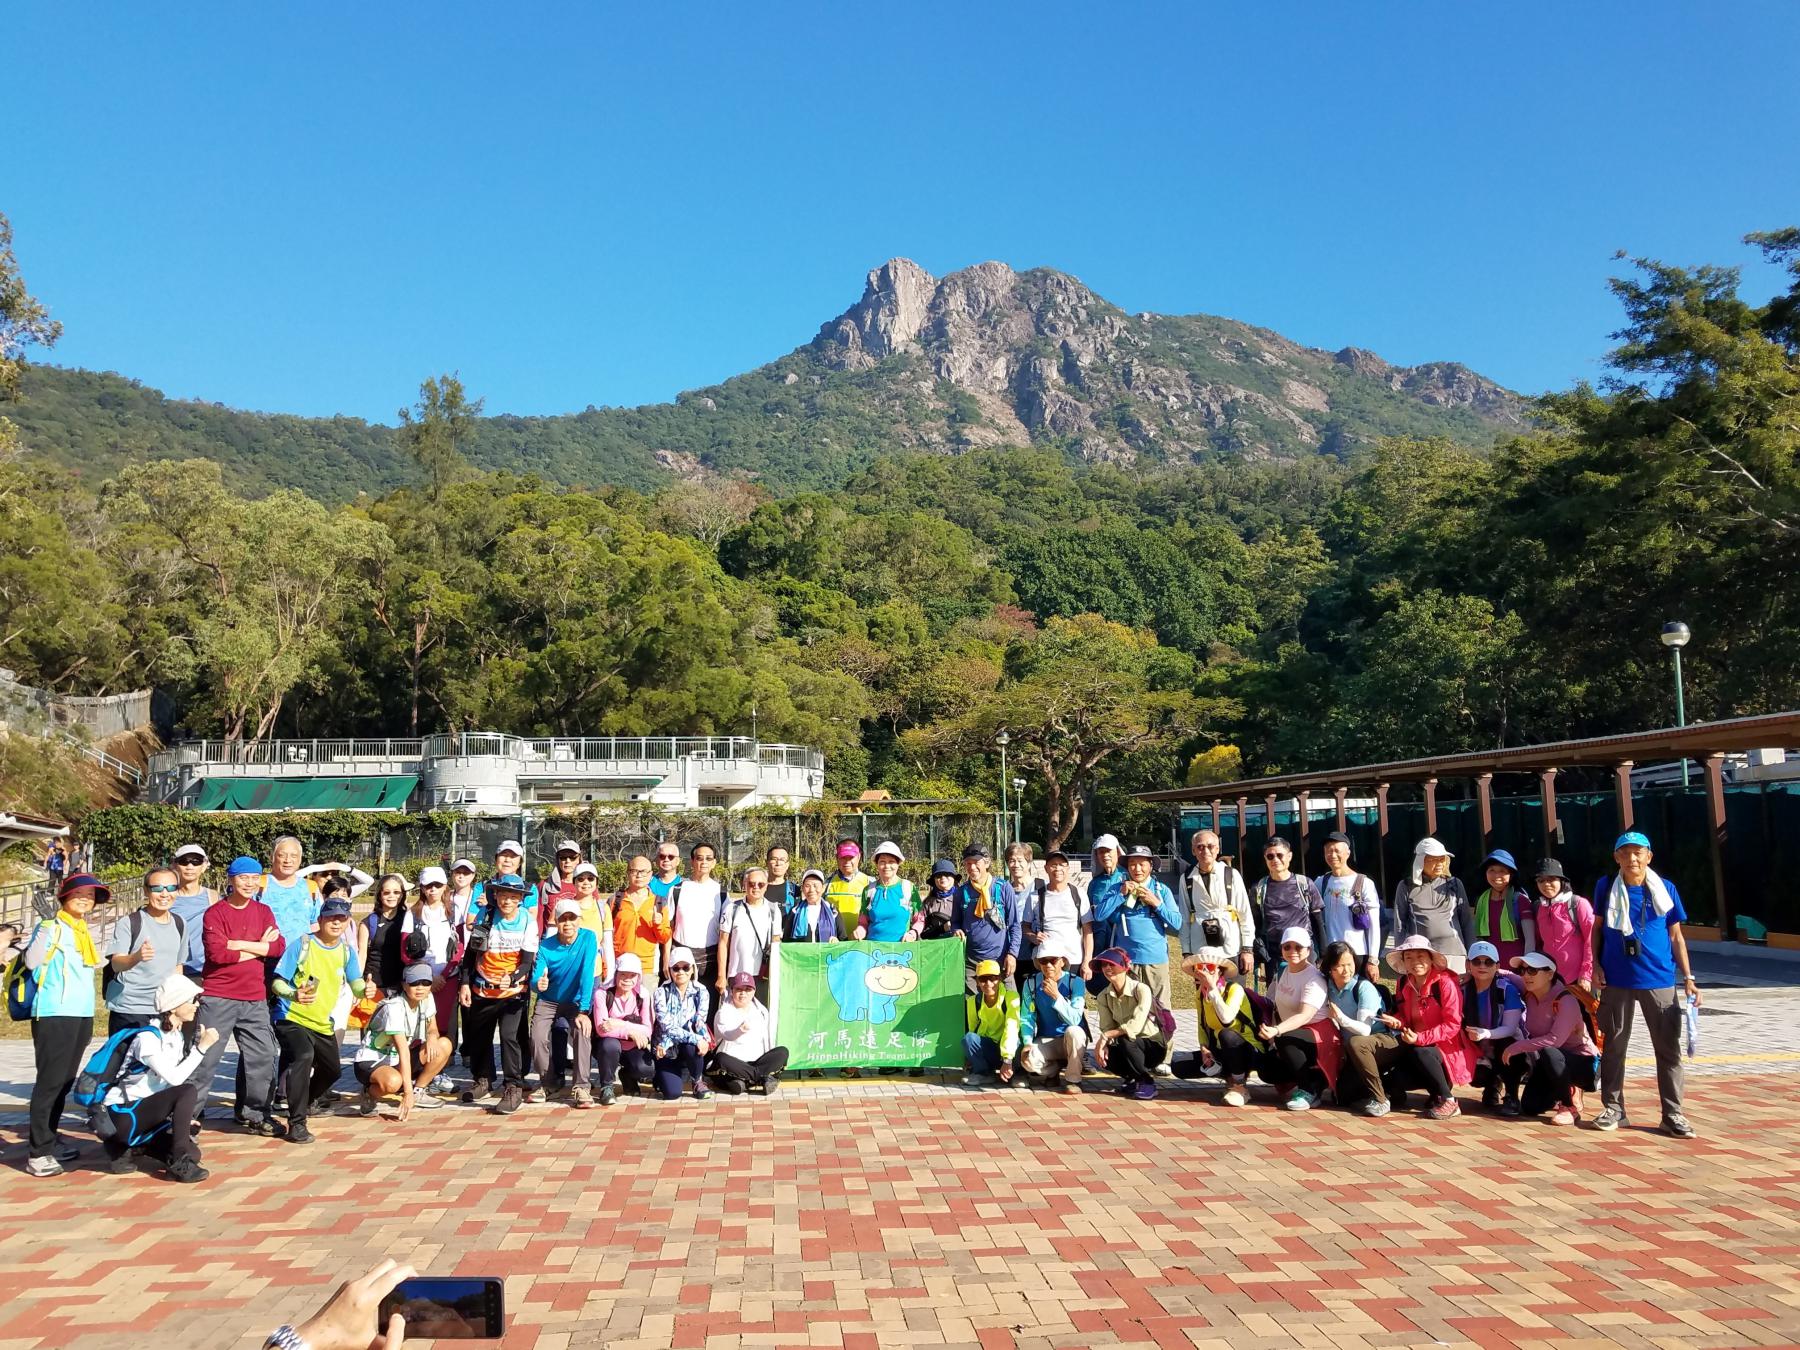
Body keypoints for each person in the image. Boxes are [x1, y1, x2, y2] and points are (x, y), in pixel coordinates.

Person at [1592, 830, 1698, 1139]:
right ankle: (1614, 1109)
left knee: (1668, 1050)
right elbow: (1596, 929)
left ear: (1649, 856)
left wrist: (1689, 978)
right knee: (1614, 1047)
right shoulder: (1605, 887)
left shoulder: (1665, 889)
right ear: (1617, 857)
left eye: (1638, 852)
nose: (1632, 858)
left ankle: (1673, 1114)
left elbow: (1676, 936)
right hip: (1616, 979)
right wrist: (1595, 965)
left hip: (1659, 979)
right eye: (1625, 853)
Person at [192, 856, 286, 1135]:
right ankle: (186, 1117)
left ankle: (256, 1113)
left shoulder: (263, 911)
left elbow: (277, 947)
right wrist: (258, 947)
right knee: (205, 1059)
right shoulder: (215, 913)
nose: (249, 883)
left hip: (254, 997)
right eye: (243, 877)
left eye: (255, 878)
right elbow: (218, 954)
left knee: (264, 1055)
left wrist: (239, 944)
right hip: (218, 996)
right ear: (231, 879)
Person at [22, 872, 108, 1176]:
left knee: (63, 1082)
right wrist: (46, 925)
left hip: (80, 1014)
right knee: (49, 1082)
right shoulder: (52, 926)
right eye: (78, 894)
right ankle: (38, 1153)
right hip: (54, 1013)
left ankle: (50, 1139)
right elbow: (31, 962)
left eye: (90, 896)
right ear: (64, 897)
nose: (85, 900)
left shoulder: (81, 929)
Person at [98, 971, 217, 1183]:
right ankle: (179, 1162)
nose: (197, 1005)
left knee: (195, 1154)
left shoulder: (175, 1036)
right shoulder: (148, 1038)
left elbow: (167, 1086)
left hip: (143, 1113)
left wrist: (182, 1118)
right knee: (187, 1091)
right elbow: (175, 1080)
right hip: (121, 1113)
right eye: (192, 1000)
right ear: (174, 1005)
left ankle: (127, 1149)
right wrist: (201, 1048)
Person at [1345, 934, 1473, 1120]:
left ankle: (1449, 1100)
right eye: (1409, 957)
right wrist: (1396, 1020)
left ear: (1431, 959)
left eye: (1421, 956)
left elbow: (1452, 1024)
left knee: (1421, 1052)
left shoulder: (1445, 983)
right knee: (1393, 1079)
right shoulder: (1403, 982)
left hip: (1443, 1051)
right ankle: (1420, 1093)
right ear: (1403, 961)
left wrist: (1420, 1038)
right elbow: (1405, 1017)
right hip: (1412, 1045)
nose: (1415, 962)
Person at [271, 896, 365, 1144]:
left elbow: (356, 982)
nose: (336, 922)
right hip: (291, 1017)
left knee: (332, 1070)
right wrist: (294, 994)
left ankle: (304, 1102)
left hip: (322, 1022)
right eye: (331, 917)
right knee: (303, 1056)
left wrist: (365, 989)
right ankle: (297, 1123)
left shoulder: (346, 951)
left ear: (348, 922)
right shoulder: (303, 944)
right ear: (321, 919)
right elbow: (277, 982)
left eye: (341, 918)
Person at [1090, 844, 1180, 1069]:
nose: (1137, 869)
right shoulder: (1118, 888)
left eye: (1142, 864)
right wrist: (1120, 894)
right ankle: (1133, 1054)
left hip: (1155, 958)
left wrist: (1156, 903)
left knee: (1161, 1008)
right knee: (1128, 1008)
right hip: (1125, 962)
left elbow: (1177, 923)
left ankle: (1164, 1057)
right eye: (1132, 864)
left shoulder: (1160, 890)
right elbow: (1099, 915)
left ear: (1151, 866)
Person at [458, 873, 538, 1112]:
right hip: (483, 988)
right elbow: (470, 955)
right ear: (496, 895)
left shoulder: (527, 921)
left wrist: (512, 977)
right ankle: (483, 1079)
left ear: (520, 899)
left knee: (509, 1036)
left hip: (513, 991)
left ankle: (513, 1086)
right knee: (480, 1036)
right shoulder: (486, 916)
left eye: (513, 897)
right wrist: (465, 983)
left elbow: (527, 962)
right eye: (503, 895)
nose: (507, 901)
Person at [1502, 951, 1599, 1125]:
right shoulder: (1530, 990)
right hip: (1550, 1062)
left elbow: (1555, 1040)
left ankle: (1568, 1106)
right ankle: (1562, 1088)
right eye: (1522, 970)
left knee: (1549, 1051)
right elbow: (1506, 974)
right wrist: (1471, 974)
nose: (1526, 975)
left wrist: (1517, 1046)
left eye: (1532, 970)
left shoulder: (1566, 1000)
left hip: (1584, 1064)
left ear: (1549, 974)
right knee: (1530, 1107)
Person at [354, 963, 453, 1119]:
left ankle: (418, 1091)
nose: (420, 988)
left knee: (444, 1045)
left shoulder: (427, 998)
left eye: (426, 982)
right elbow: (403, 1051)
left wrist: (432, 1037)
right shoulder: (394, 1007)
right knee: (394, 1082)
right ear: (404, 985)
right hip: (373, 1060)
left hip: (398, 1059)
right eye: (414, 983)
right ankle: (369, 1094)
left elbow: (433, 1028)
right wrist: (407, 1093)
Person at [1255, 926, 1338, 1111]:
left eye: (1298, 947)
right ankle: (1316, 1079)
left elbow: (1305, 1015)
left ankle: (1308, 1090)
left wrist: (1277, 1030)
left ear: (1308, 950)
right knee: (1266, 1068)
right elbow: (1273, 1004)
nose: (1292, 951)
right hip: (1293, 1033)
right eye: (1287, 947)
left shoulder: (1314, 978)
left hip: (1319, 1035)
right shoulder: (1283, 971)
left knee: (1285, 1039)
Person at [1175, 946, 1264, 1106]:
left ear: (1220, 971)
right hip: (1221, 1048)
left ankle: (1239, 1084)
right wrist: (1204, 1048)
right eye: (1199, 967)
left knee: (1226, 1034)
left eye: (1209, 967)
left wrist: (1213, 989)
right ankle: (1228, 1075)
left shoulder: (1234, 989)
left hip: (1246, 1049)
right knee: (1178, 1066)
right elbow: (1202, 1025)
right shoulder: (1200, 994)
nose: (1204, 972)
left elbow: (1226, 1019)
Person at [529, 899, 597, 1107]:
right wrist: (538, 984)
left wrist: (583, 1010)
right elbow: (536, 978)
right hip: (549, 1000)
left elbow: (587, 974)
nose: (568, 923)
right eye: (563, 919)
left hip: (575, 1001)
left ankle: (581, 1086)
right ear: (556, 922)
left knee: (582, 1030)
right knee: (537, 1036)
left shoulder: (589, 938)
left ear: (579, 920)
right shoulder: (545, 946)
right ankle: (548, 1083)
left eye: (572, 918)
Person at [401, 865, 464, 1088]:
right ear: (422, 888)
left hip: (448, 979)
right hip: (421, 981)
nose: (433, 889)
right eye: (428, 886)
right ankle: (419, 1070)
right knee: (421, 1026)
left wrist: (443, 975)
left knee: (444, 1026)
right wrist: (427, 977)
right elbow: (405, 950)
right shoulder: (413, 913)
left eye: (437, 885)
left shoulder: (454, 911)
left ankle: (439, 1071)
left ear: (445, 886)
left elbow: (459, 947)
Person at [104, 866, 187, 1035]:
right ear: (146, 891)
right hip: (130, 1009)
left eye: (171, 888)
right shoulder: (129, 923)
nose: (165, 894)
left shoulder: (180, 924)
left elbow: (178, 968)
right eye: (157, 888)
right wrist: (137, 957)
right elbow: (116, 964)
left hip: (164, 1009)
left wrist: (177, 1006)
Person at [1316, 940, 1384, 1110]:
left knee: (1356, 1044)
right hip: (1349, 1050)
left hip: (1374, 1046)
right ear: (1330, 968)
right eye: (1340, 966)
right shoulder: (1326, 985)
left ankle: (1384, 1094)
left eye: (1350, 964)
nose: (1346, 970)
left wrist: (1340, 1017)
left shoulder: (1364, 987)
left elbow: (1365, 1030)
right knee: (1342, 1097)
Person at [1091, 947, 1166, 1099]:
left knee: (1126, 1039)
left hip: (1152, 1046)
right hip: (1128, 1044)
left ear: (1124, 967)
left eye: (1112, 964)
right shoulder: (1103, 996)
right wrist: (1104, 1043)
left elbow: (1135, 1026)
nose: (1107, 968)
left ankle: (1147, 1081)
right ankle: (1133, 1078)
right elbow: (1107, 1026)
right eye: (1104, 965)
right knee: (1106, 1054)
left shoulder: (1141, 989)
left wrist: (1106, 1036)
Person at [1462, 939, 1526, 1114]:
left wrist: (1486, 1033)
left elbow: (1510, 1028)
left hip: (1507, 1046)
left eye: (1488, 962)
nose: (1482, 966)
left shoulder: (1506, 990)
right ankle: (1491, 1084)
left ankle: (1512, 1096)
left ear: (1497, 966)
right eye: (1477, 961)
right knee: (1476, 1076)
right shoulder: (1463, 989)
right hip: (1477, 1046)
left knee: (1506, 1044)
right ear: (1468, 965)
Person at [1181, 830, 1254, 982]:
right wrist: (1187, 951)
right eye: (1200, 847)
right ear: (1193, 850)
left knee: (1234, 993)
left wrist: (1247, 949)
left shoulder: (1231, 874)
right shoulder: (1186, 878)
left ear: (1217, 848)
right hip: (1201, 950)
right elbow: (1184, 917)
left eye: (1210, 846)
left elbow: (1245, 913)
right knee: (1206, 994)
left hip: (1231, 948)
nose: (1205, 851)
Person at [1394, 837, 1473, 974]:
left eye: (1442, 859)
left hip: (1454, 952)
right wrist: (1400, 956)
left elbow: (1466, 921)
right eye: (1433, 860)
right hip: (1422, 955)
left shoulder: (1455, 884)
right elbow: (1400, 924)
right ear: (1420, 861)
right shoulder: (1406, 886)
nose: (1439, 864)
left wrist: (1472, 954)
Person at [951, 843, 1022, 994]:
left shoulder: (1003, 888)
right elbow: (955, 922)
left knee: (1010, 1001)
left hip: (1001, 959)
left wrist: (1012, 954)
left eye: (976, 862)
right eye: (968, 863)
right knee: (973, 1004)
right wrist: (956, 929)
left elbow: (1015, 925)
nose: (972, 867)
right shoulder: (961, 892)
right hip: (972, 963)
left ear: (987, 863)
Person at [1253, 837, 1324, 987]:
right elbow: (1255, 924)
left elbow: (1318, 921)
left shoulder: (1305, 884)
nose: (1275, 860)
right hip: (1274, 956)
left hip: (1304, 953)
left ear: (1289, 856)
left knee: (1308, 993)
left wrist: (1323, 954)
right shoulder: (1259, 888)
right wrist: (1258, 957)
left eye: (1280, 855)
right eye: (1270, 856)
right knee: (1278, 997)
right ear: (1265, 858)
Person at [1016, 941, 1086, 1092]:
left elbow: (1075, 1019)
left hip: (1070, 1040)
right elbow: (1027, 1017)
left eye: (1053, 960)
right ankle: (1053, 1071)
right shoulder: (1031, 983)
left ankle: (1073, 1080)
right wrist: (1027, 1043)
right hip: (1046, 1039)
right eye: (1043, 961)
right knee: (1028, 1061)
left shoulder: (1076, 982)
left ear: (1062, 961)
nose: (1048, 965)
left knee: (1075, 1031)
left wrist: (1056, 996)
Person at [1316, 831, 1382, 984]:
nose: (1332, 855)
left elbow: (1374, 925)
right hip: (1330, 954)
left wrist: (1373, 959)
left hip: (1357, 954)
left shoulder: (1364, 883)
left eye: (1337, 850)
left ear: (1348, 853)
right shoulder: (1321, 882)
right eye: (1328, 851)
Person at [707, 972, 788, 1094]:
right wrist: (739, 1031)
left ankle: (744, 1081)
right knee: (721, 1059)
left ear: (754, 991)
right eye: (739, 989)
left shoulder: (761, 1011)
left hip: (756, 1062)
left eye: (747, 990)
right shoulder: (723, 1012)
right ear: (732, 991)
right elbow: (726, 1035)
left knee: (782, 1052)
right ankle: (761, 1078)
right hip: (734, 1063)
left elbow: (767, 1040)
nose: (743, 993)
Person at [1020, 848, 1093, 983]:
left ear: (1068, 868)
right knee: (1045, 994)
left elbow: (1088, 931)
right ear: (1046, 868)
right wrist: (1033, 937)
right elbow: (1025, 926)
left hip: (1073, 959)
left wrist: (1087, 961)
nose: (1058, 869)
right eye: (1053, 865)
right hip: (1046, 961)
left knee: (1073, 994)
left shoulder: (1079, 894)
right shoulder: (1035, 896)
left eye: (1062, 865)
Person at [593, 952, 655, 1104]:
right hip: (607, 1045)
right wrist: (631, 1032)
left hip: (632, 1045)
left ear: (638, 977)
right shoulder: (602, 993)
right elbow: (602, 1029)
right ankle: (607, 1087)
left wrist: (620, 1024)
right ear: (616, 974)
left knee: (647, 1069)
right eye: (623, 974)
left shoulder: (643, 995)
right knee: (610, 1045)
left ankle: (627, 1075)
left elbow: (648, 1030)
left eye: (632, 975)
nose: (627, 979)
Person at [652, 946, 712, 1101]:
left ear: (692, 969)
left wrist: (704, 1039)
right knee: (672, 1093)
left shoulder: (702, 991)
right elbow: (668, 1028)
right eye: (676, 968)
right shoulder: (660, 992)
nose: (681, 972)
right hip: (666, 1048)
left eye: (685, 967)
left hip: (687, 1046)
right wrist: (697, 1038)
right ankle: (659, 1076)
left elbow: (699, 1022)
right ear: (670, 970)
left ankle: (697, 1080)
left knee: (694, 1045)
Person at [667, 842, 724, 994]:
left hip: (710, 961)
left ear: (714, 863)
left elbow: (725, 936)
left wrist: (721, 974)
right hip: (681, 961)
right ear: (692, 861)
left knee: (708, 1005)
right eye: (699, 858)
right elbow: (668, 929)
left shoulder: (721, 893)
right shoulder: (677, 890)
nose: (704, 862)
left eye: (708, 858)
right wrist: (666, 960)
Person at [719, 866, 782, 1003]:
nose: (756, 887)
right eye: (751, 884)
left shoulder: (773, 910)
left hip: (762, 975)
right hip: (736, 974)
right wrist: (721, 975)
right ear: (744, 884)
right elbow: (723, 943)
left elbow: (776, 943)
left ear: (767, 886)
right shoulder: (732, 908)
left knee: (761, 1013)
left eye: (761, 884)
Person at [1531, 858, 1595, 991]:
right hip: (1551, 981)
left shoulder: (1578, 904)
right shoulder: (1539, 908)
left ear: (1561, 881)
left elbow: (1592, 940)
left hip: (1579, 982)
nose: (1546, 884)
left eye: (1551, 879)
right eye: (1541, 880)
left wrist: (1586, 974)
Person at [1471, 849, 1536, 971]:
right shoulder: (1481, 901)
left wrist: (1527, 966)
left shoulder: (1521, 900)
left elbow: (1530, 940)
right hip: (1490, 968)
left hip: (1517, 969)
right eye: (1492, 870)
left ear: (1511, 874)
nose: (1496, 876)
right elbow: (1478, 938)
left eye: (1502, 871)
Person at [613, 854, 672, 983]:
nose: (639, 875)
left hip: (647, 969)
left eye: (644, 871)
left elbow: (665, 937)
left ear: (651, 874)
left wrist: (658, 924)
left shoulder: (659, 902)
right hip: (620, 966)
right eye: (634, 871)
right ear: (628, 873)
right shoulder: (615, 900)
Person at [962, 959, 1021, 1087]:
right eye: (983, 979)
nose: (988, 984)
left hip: (1009, 1049)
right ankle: (984, 1073)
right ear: (977, 982)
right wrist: (971, 1058)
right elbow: (973, 1030)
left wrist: (1007, 1059)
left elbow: (1012, 1028)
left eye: (993, 978)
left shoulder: (1012, 997)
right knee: (969, 1038)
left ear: (999, 979)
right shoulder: (973, 1001)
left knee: (1016, 1041)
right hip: (991, 1048)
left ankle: (1017, 1074)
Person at [358, 873, 410, 999]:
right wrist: (358, 984)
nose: (392, 896)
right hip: (374, 987)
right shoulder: (368, 923)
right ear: (380, 895)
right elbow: (362, 956)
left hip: (402, 986)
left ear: (402, 895)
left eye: (396, 892)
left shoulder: (409, 919)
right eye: (387, 892)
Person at [169, 843, 215, 977]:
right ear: (175, 865)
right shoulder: (165, 898)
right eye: (184, 861)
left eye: (196, 861)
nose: (190, 866)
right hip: (172, 971)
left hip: (206, 972)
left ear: (204, 866)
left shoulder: (213, 898)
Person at [854, 843, 915, 942]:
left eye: (891, 862)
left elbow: (919, 919)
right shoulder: (868, 890)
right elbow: (863, 922)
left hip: (902, 948)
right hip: (874, 949)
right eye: (882, 862)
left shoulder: (909, 888)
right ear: (877, 864)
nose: (887, 866)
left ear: (898, 864)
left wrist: (912, 934)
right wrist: (860, 930)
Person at [823, 839, 871, 938]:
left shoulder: (870, 883)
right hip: (834, 943)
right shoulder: (826, 885)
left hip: (862, 943)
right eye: (843, 857)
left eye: (851, 857)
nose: (847, 862)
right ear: (837, 858)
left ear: (859, 857)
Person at [782, 868, 840, 944]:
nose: (812, 890)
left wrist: (837, 942)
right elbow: (786, 942)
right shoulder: (795, 912)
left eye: (815, 885)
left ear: (823, 888)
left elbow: (843, 939)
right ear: (802, 889)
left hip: (827, 952)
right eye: (807, 886)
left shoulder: (832, 911)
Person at [916, 858, 958, 939]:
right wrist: (942, 928)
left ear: (954, 877)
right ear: (934, 880)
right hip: (936, 945)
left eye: (947, 874)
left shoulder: (962, 898)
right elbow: (923, 934)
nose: (943, 877)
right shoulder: (927, 904)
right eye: (938, 875)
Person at [764, 846, 796, 912]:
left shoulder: (795, 891)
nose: (778, 863)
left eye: (782, 860)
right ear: (766, 863)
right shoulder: (758, 889)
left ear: (787, 865)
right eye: (774, 859)